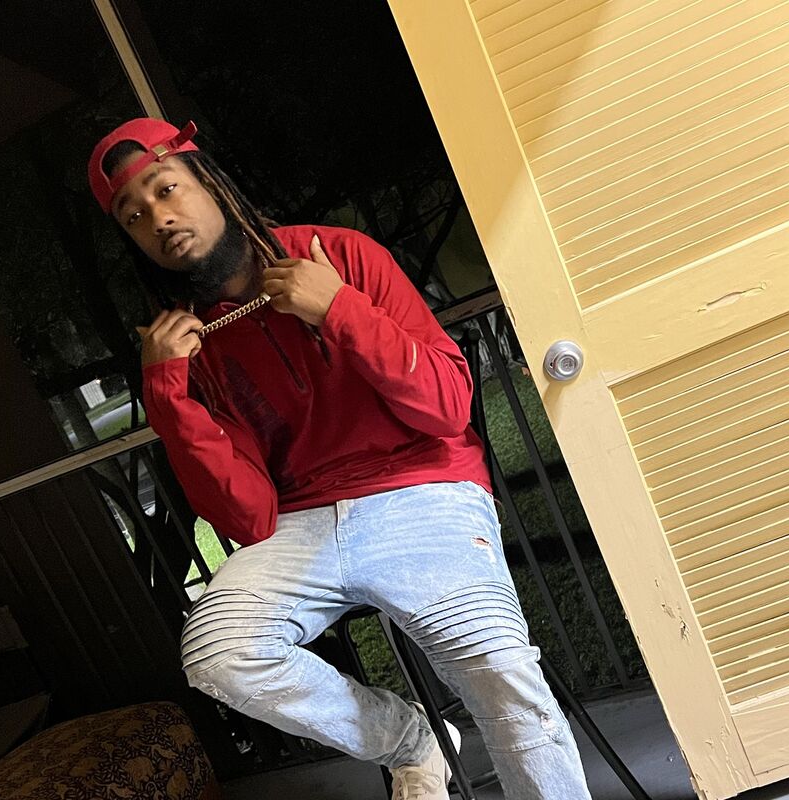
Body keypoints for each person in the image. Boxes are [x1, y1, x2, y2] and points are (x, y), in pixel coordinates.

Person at [87, 117, 591, 800]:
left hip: (422, 486)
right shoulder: (189, 340)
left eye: (166, 188)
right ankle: (412, 742)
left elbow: (447, 407)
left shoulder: (338, 254)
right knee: (217, 651)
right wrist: (167, 393)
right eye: (133, 215)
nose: (159, 219)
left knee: (498, 667)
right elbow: (248, 515)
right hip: (302, 520)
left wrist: (338, 308)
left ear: (206, 178)